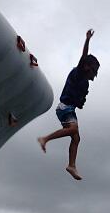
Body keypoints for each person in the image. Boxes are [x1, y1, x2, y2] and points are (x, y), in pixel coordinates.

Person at [38, 29, 99, 180]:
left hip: (70, 108)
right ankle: (45, 138)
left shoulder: (84, 83)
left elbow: (79, 101)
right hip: (64, 107)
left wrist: (81, 103)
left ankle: (71, 165)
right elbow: (84, 56)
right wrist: (87, 39)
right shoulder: (78, 73)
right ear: (87, 68)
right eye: (93, 72)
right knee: (73, 129)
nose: (94, 75)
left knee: (76, 138)